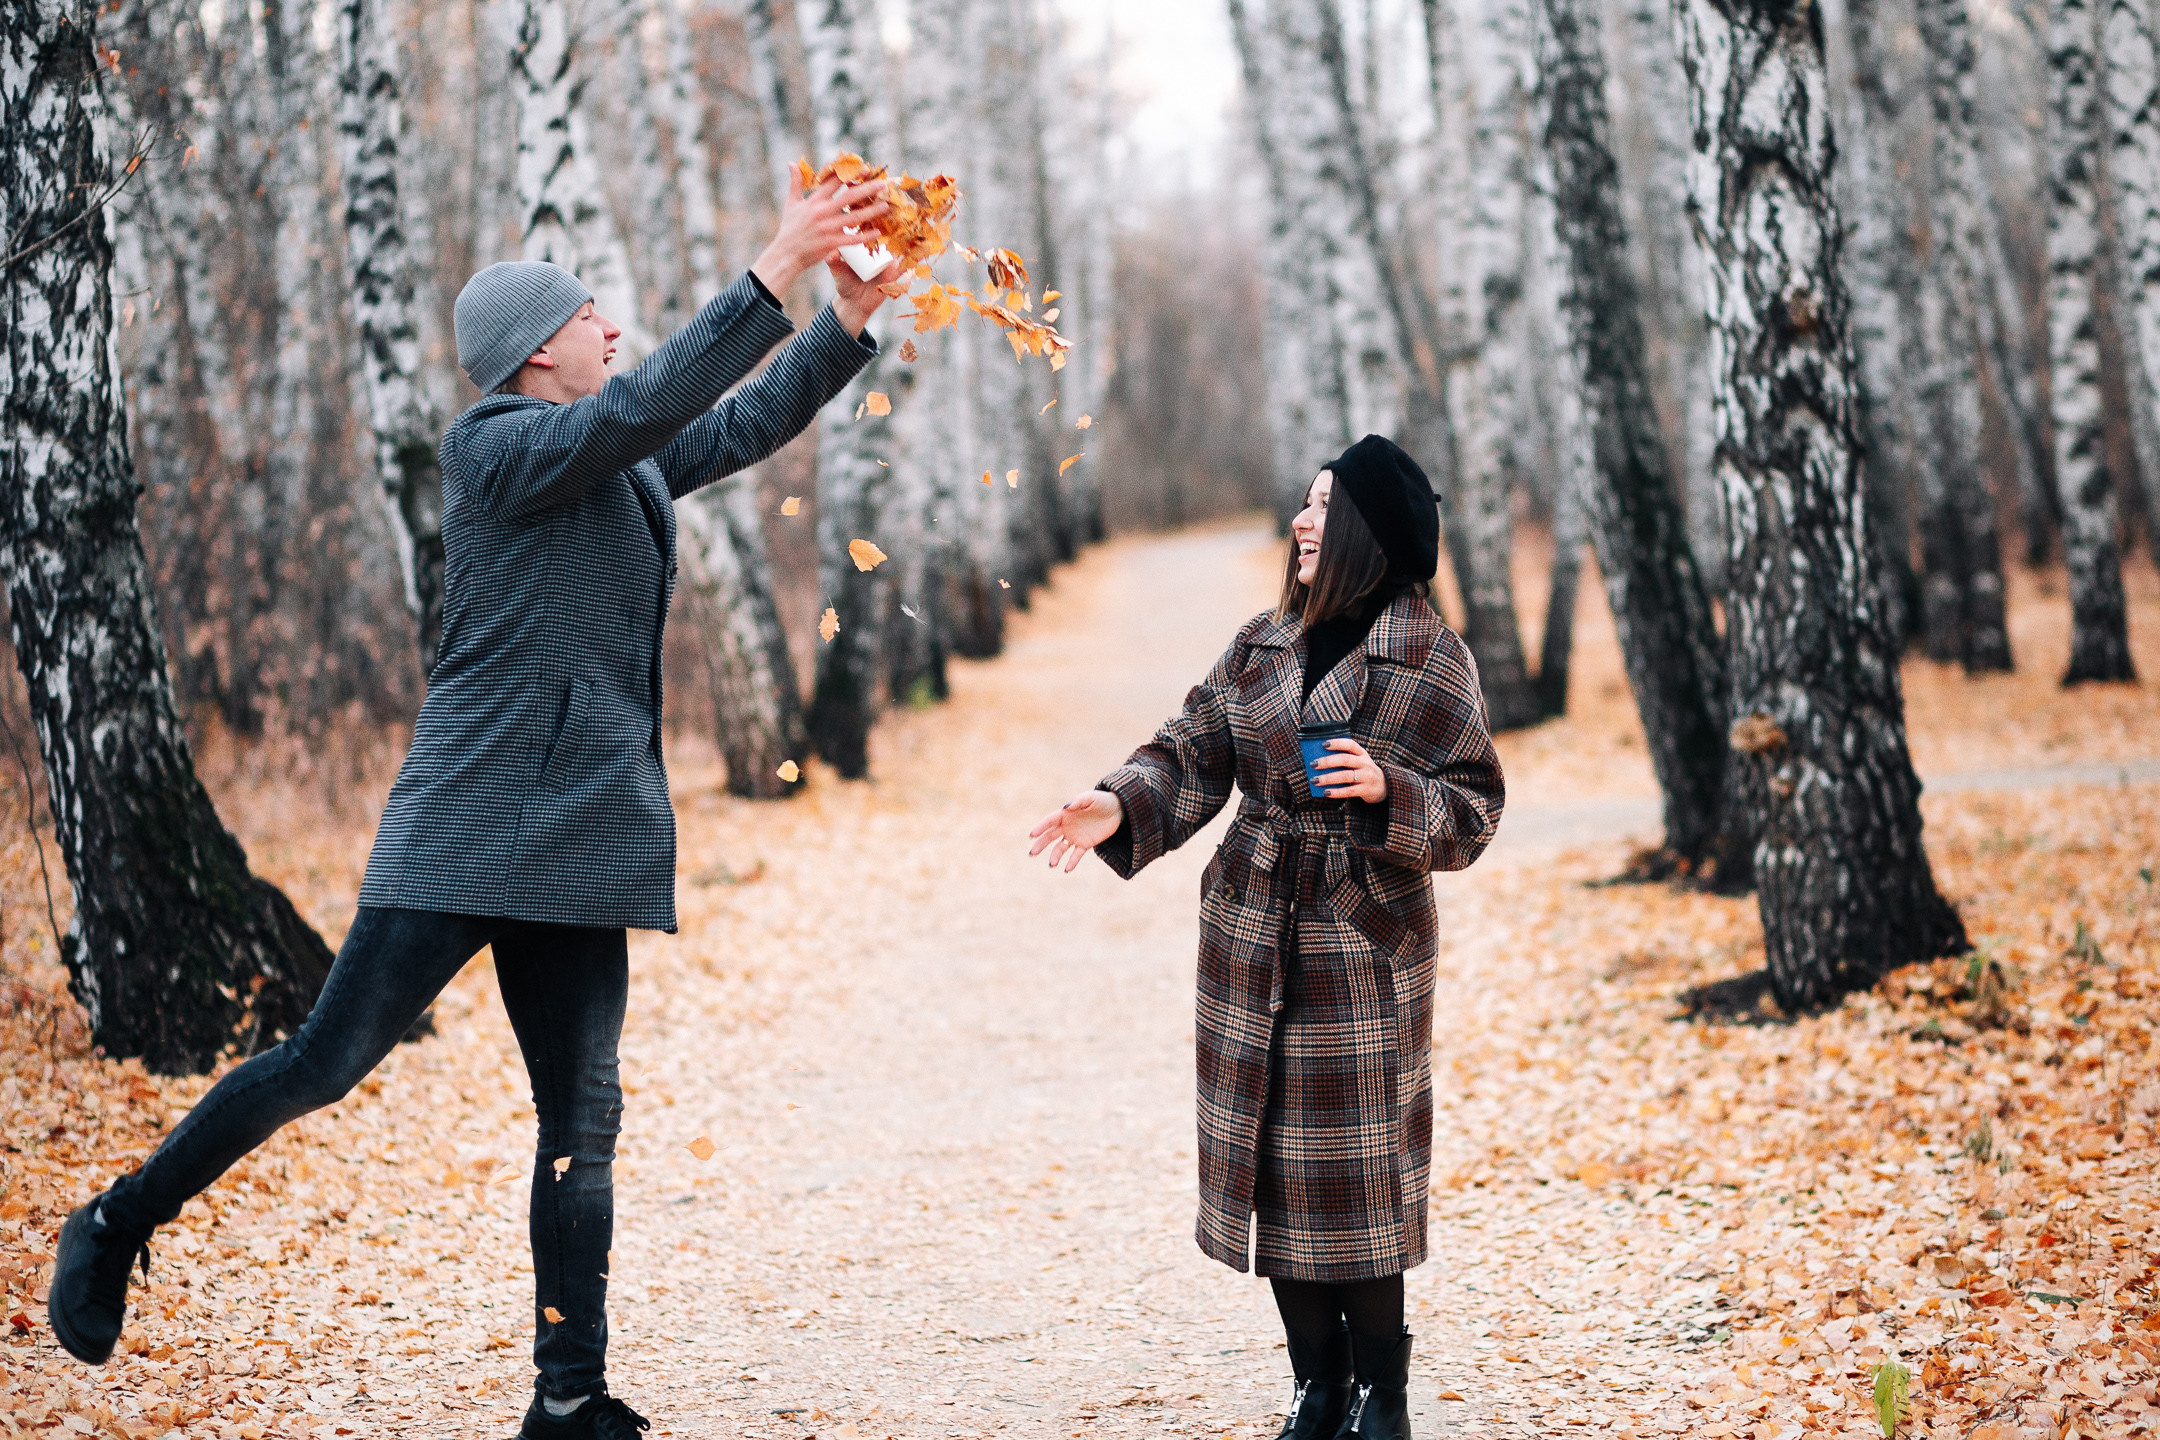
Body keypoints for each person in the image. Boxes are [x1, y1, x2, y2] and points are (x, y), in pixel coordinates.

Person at [45, 174, 902, 1440]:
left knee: (583, 1123)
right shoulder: (494, 447)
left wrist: (846, 320)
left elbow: (733, 421)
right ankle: (118, 1221)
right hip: (466, 826)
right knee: (324, 1063)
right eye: (591, 313)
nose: (612, 326)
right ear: (534, 351)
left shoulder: (612, 454)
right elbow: (654, 401)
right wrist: (772, 262)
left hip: (579, 837)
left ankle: (568, 1400)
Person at [1028, 435, 1505, 1440]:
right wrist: (1119, 804)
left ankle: (1383, 1392)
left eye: (1323, 505)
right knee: (1273, 1172)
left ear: (1368, 533)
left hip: (1361, 941)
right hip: (1250, 929)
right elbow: (1192, 747)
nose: (1300, 519)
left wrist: (1392, 791)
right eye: (1303, 501)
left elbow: (1474, 810)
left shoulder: (1430, 658)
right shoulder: (1261, 643)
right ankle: (1315, 1385)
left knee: (1357, 1183)